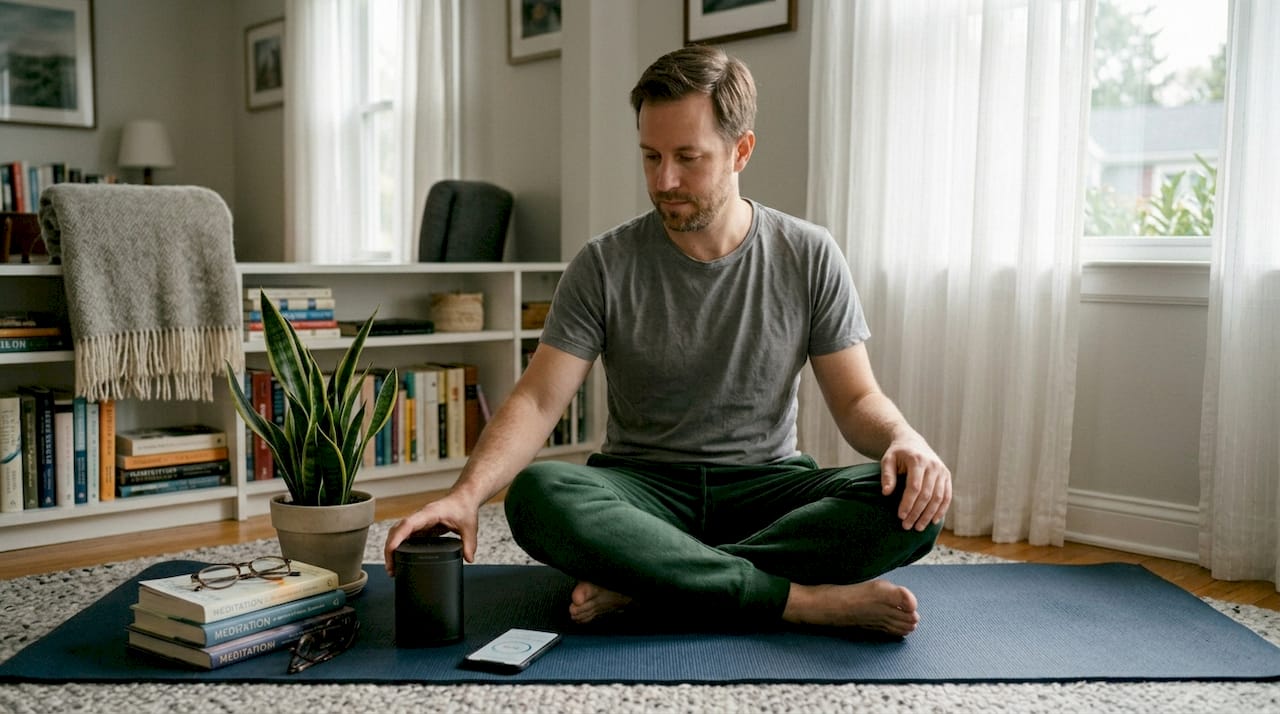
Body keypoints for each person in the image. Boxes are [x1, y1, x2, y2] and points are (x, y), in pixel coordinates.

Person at [384, 45, 951, 637]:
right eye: (651, 157)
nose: (664, 180)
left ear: (741, 151)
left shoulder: (808, 254)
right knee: (539, 493)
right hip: (641, 490)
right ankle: (796, 600)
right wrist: (465, 494)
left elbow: (857, 401)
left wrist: (904, 439)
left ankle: (652, 586)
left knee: (914, 499)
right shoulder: (602, 264)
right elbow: (537, 400)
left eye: (688, 158)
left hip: (767, 485)